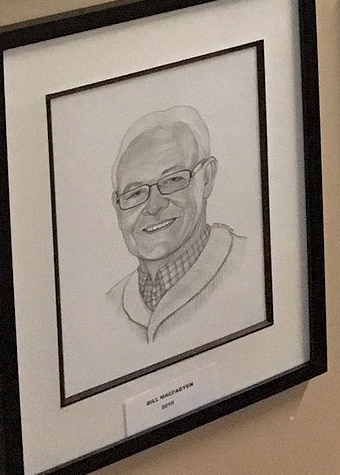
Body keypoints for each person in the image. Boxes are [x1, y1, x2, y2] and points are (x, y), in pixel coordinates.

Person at [107, 107, 261, 345]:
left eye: (173, 180)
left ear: (207, 178)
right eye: (135, 193)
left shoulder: (256, 266)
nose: (154, 206)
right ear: (117, 207)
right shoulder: (110, 305)